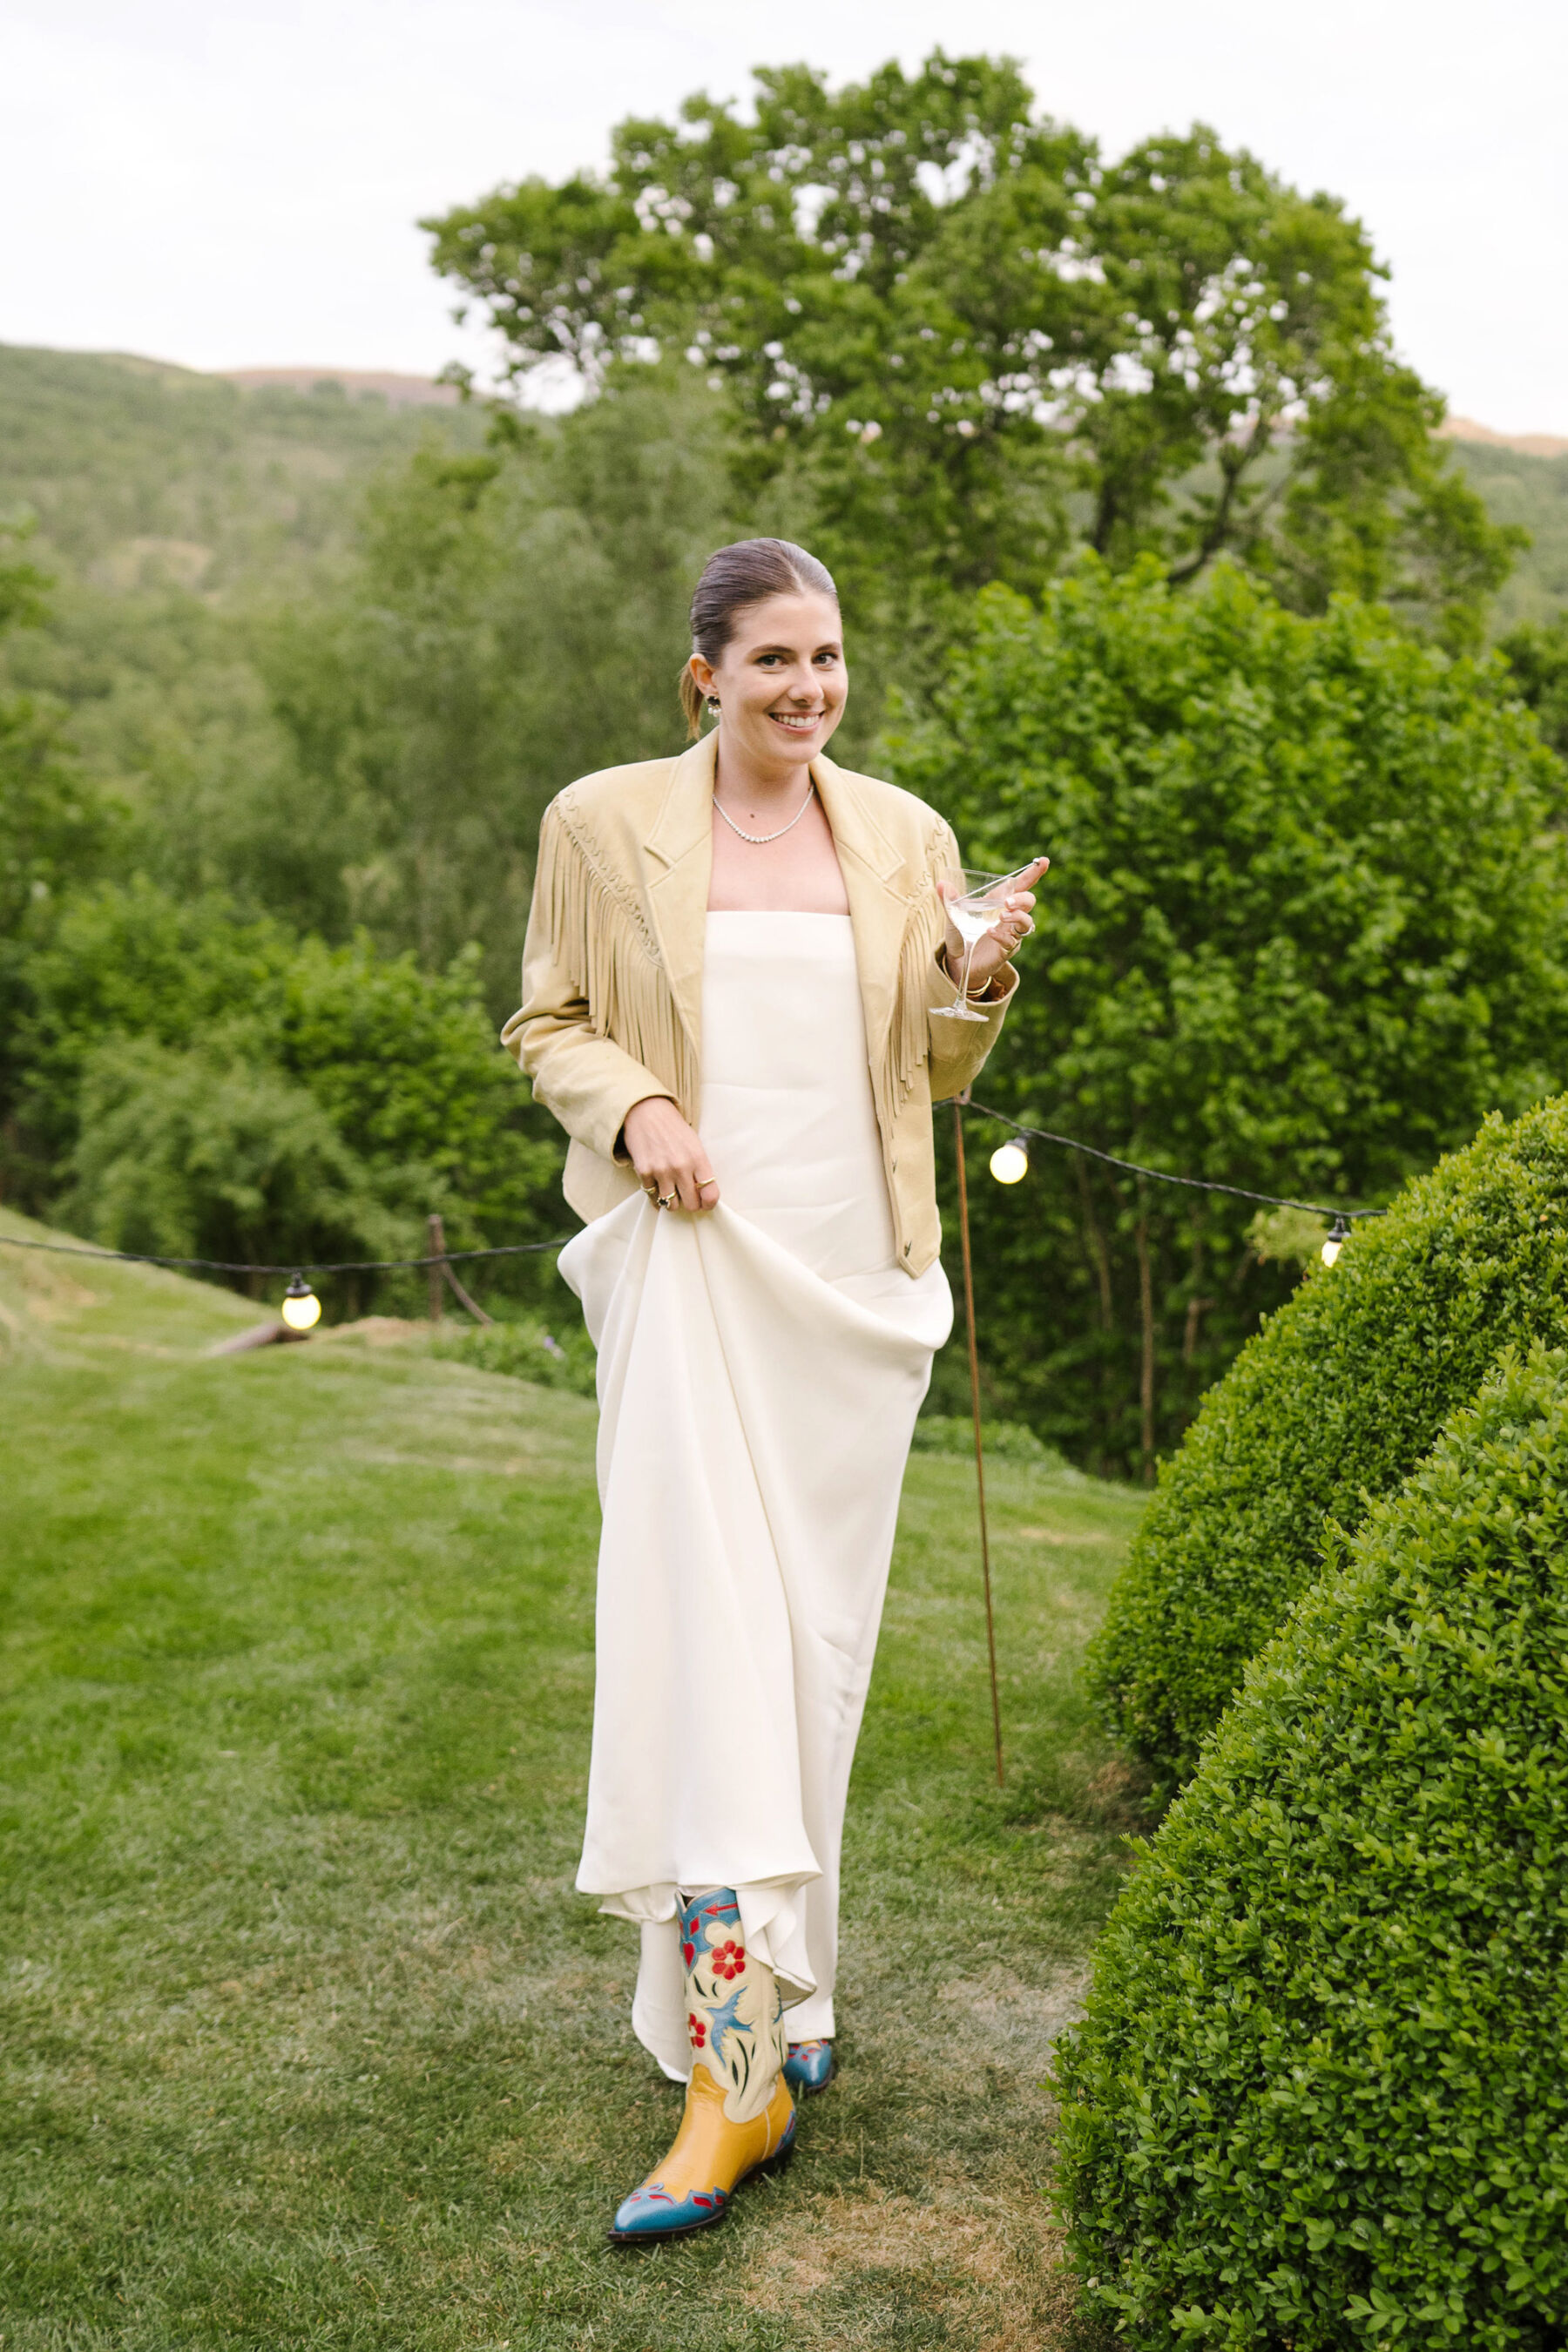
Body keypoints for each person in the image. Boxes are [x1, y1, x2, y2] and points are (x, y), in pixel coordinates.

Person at [504, 537, 1044, 2245]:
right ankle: (730, 2071)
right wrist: (637, 1111)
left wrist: (973, 981)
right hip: (690, 1263)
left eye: (827, 660)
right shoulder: (605, 822)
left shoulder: (905, 835)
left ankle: (793, 2008)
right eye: (773, 664)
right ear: (704, 679)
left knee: (812, 1669)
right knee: (704, 1649)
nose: (807, 690)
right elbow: (548, 1022)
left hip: (853, 1294)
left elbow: (932, 1063)